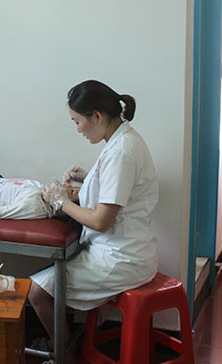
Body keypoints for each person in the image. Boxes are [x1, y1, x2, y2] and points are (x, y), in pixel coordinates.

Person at [28, 80, 159, 364]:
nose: (78, 129)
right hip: (127, 249)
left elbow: (101, 221)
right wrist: (89, 179)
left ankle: (64, 354)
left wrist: (61, 201)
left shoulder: (122, 151)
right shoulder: (123, 140)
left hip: (121, 257)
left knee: (37, 292)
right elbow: (119, 190)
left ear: (97, 116)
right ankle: (61, 345)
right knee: (48, 280)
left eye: (77, 121)